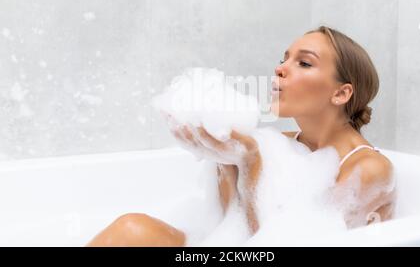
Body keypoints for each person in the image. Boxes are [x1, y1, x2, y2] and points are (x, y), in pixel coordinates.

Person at [86, 26, 395, 247]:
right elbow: (232, 228)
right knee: (133, 229)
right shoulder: (284, 146)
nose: (280, 69)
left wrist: (251, 162)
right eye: (283, 58)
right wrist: (224, 160)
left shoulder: (368, 169)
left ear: (341, 93)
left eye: (303, 62)